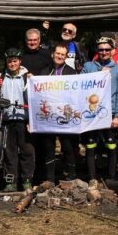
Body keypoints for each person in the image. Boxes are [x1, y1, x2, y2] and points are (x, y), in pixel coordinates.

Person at [81, 37, 118, 187]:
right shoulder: (88, 66)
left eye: (107, 49)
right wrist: (99, 74)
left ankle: (111, 178)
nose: (104, 52)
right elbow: (80, 86)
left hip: (110, 112)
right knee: (90, 145)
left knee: (111, 145)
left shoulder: (117, 70)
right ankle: (92, 178)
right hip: (91, 112)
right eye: (101, 50)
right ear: (97, 51)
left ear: (112, 51)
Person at [0, 48, 35, 192]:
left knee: (27, 150)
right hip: (7, 118)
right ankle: (11, 181)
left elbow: (33, 97)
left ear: (20, 61)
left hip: (23, 118)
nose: (12, 64)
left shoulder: (27, 77)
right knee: (9, 151)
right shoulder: (0, 76)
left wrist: (31, 120)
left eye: (15, 61)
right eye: (9, 61)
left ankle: (26, 180)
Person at [40, 43, 78, 182]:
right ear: (52, 54)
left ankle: (71, 176)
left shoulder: (71, 72)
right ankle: (50, 179)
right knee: (49, 147)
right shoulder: (44, 71)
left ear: (66, 57)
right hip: (49, 115)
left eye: (63, 54)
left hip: (66, 114)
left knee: (68, 146)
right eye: (58, 54)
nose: (60, 56)